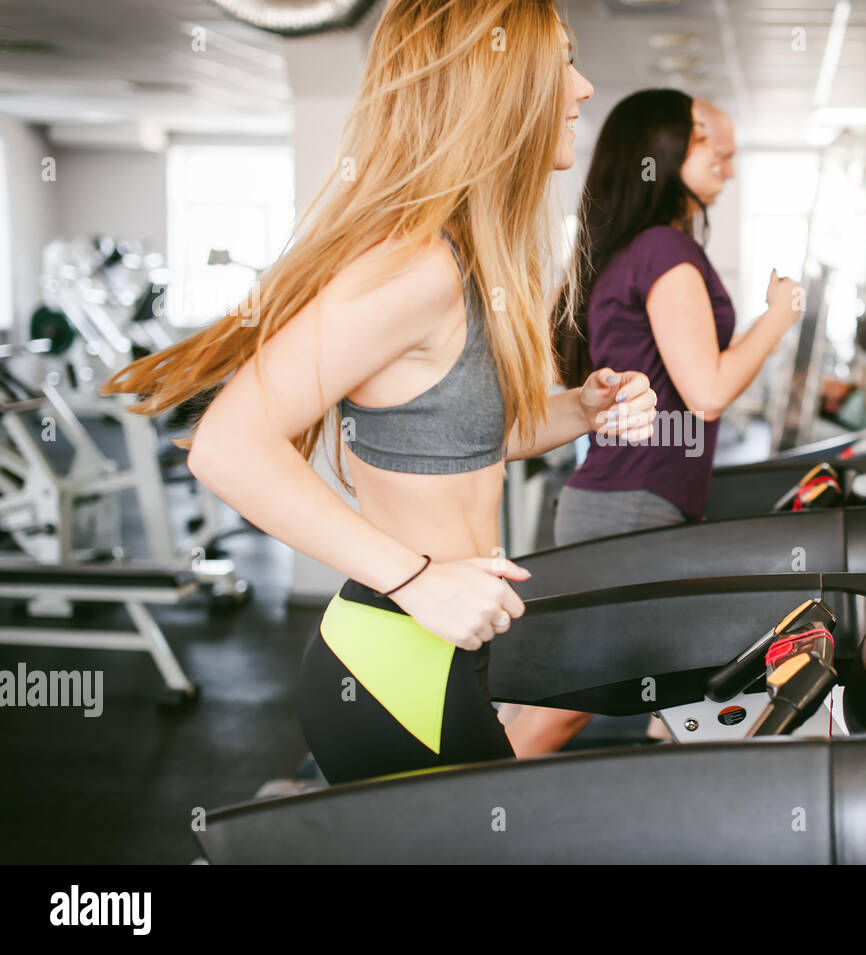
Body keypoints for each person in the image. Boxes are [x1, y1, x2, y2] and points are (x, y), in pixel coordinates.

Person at [100, 0, 657, 781]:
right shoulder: (416, 267)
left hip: (438, 653)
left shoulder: (466, 261)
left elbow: (463, 442)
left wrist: (582, 408)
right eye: (563, 61)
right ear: (497, 80)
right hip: (394, 661)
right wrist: (418, 578)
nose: (585, 87)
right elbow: (228, 447)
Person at [552, 90, 801, 545]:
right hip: (632, 506)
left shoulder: (635, 248)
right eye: (701, 140)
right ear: (660, 151)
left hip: (626, 501)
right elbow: (707, 393)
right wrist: (779, 315)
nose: (724, 165)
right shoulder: (662, 248)